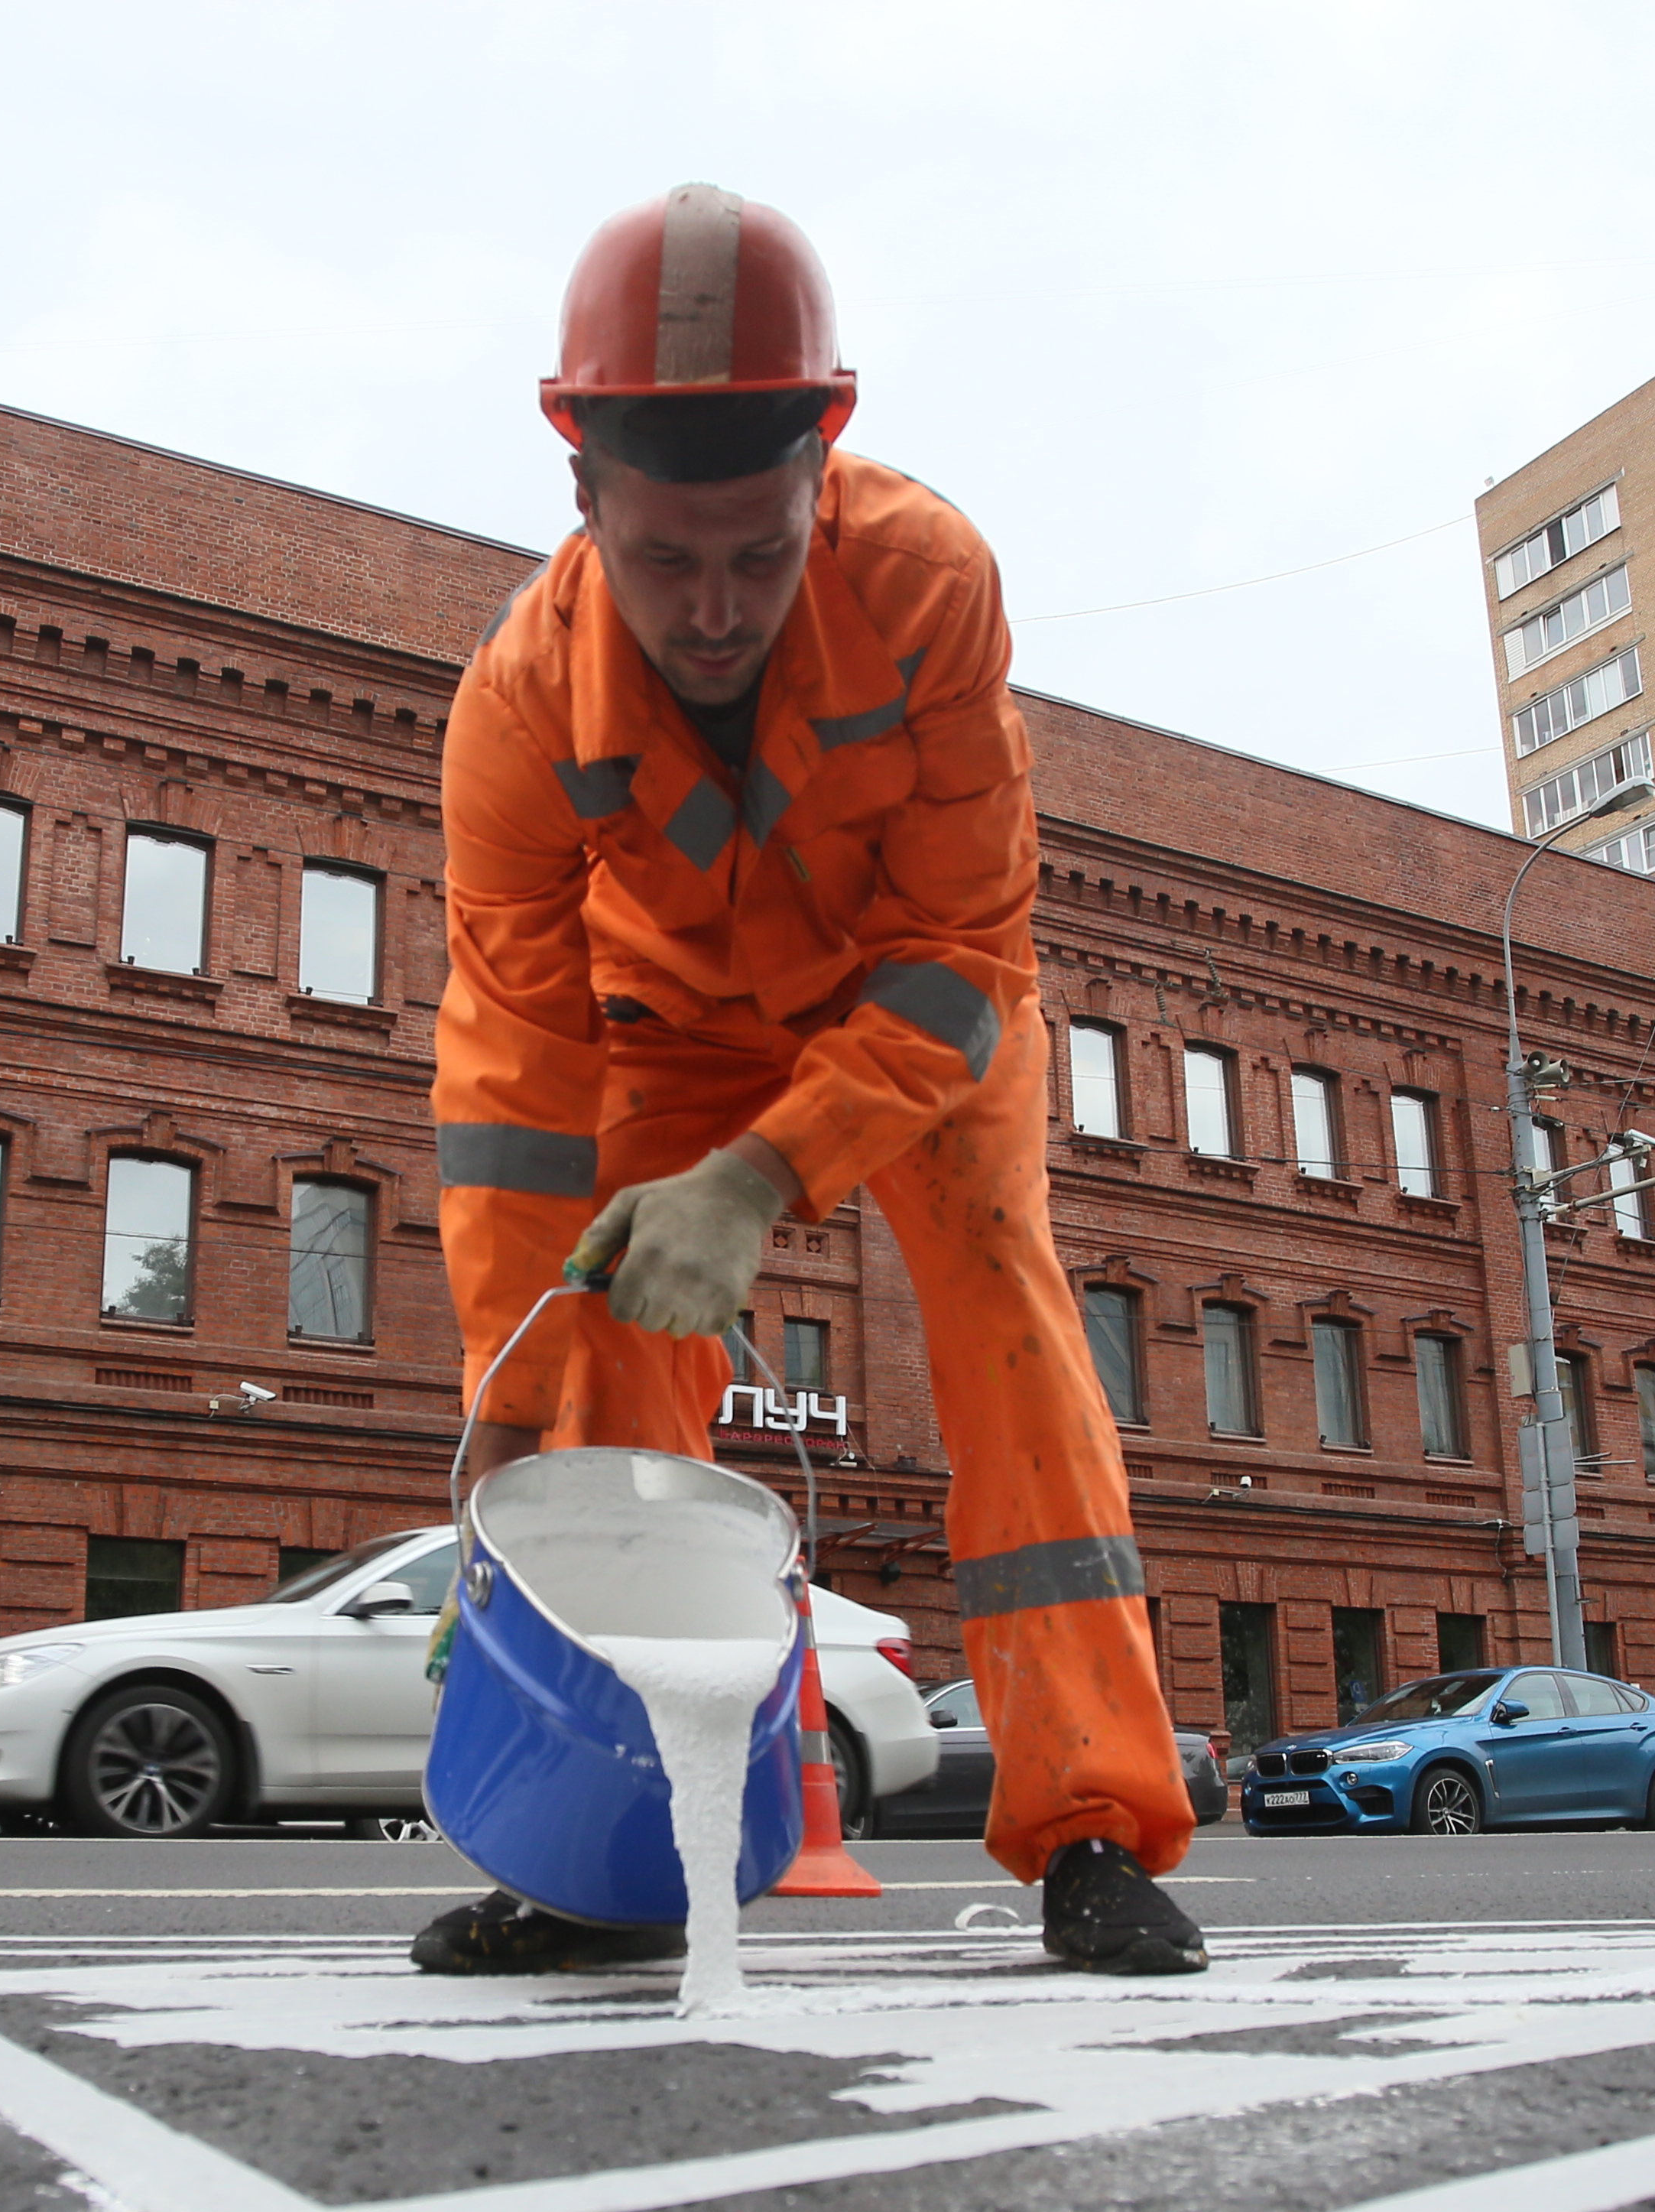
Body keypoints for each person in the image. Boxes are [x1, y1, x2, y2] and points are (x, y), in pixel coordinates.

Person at [414, 184, 1205, 1981]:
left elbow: (964, 957)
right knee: (607, 1347)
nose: (716, 610)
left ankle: (1090, 1825)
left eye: (759, 557)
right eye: (665, 561)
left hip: (915, 1019)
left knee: (1007, 1321)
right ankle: (607, 1852)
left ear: (822, 467)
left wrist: (767, 1182)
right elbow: (517, 1084)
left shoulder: (928, 580)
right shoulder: (516, 710)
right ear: (582, 497)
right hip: (673, 1036)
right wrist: (512, 1400)